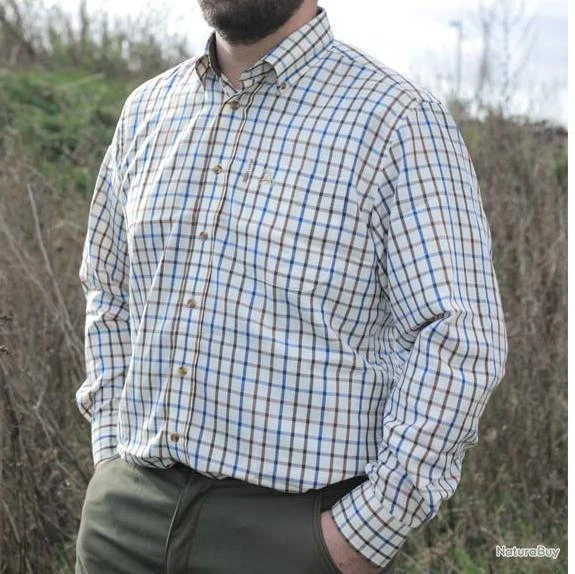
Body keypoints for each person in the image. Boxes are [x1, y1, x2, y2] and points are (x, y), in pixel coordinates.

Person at [74, 1, 508, 573]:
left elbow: (460, 335)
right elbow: (109, 290)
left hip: (294, 536)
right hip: (124, 519)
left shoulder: (398, 120)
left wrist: (364, 532)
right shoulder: (147, 110)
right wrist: (109, 456)